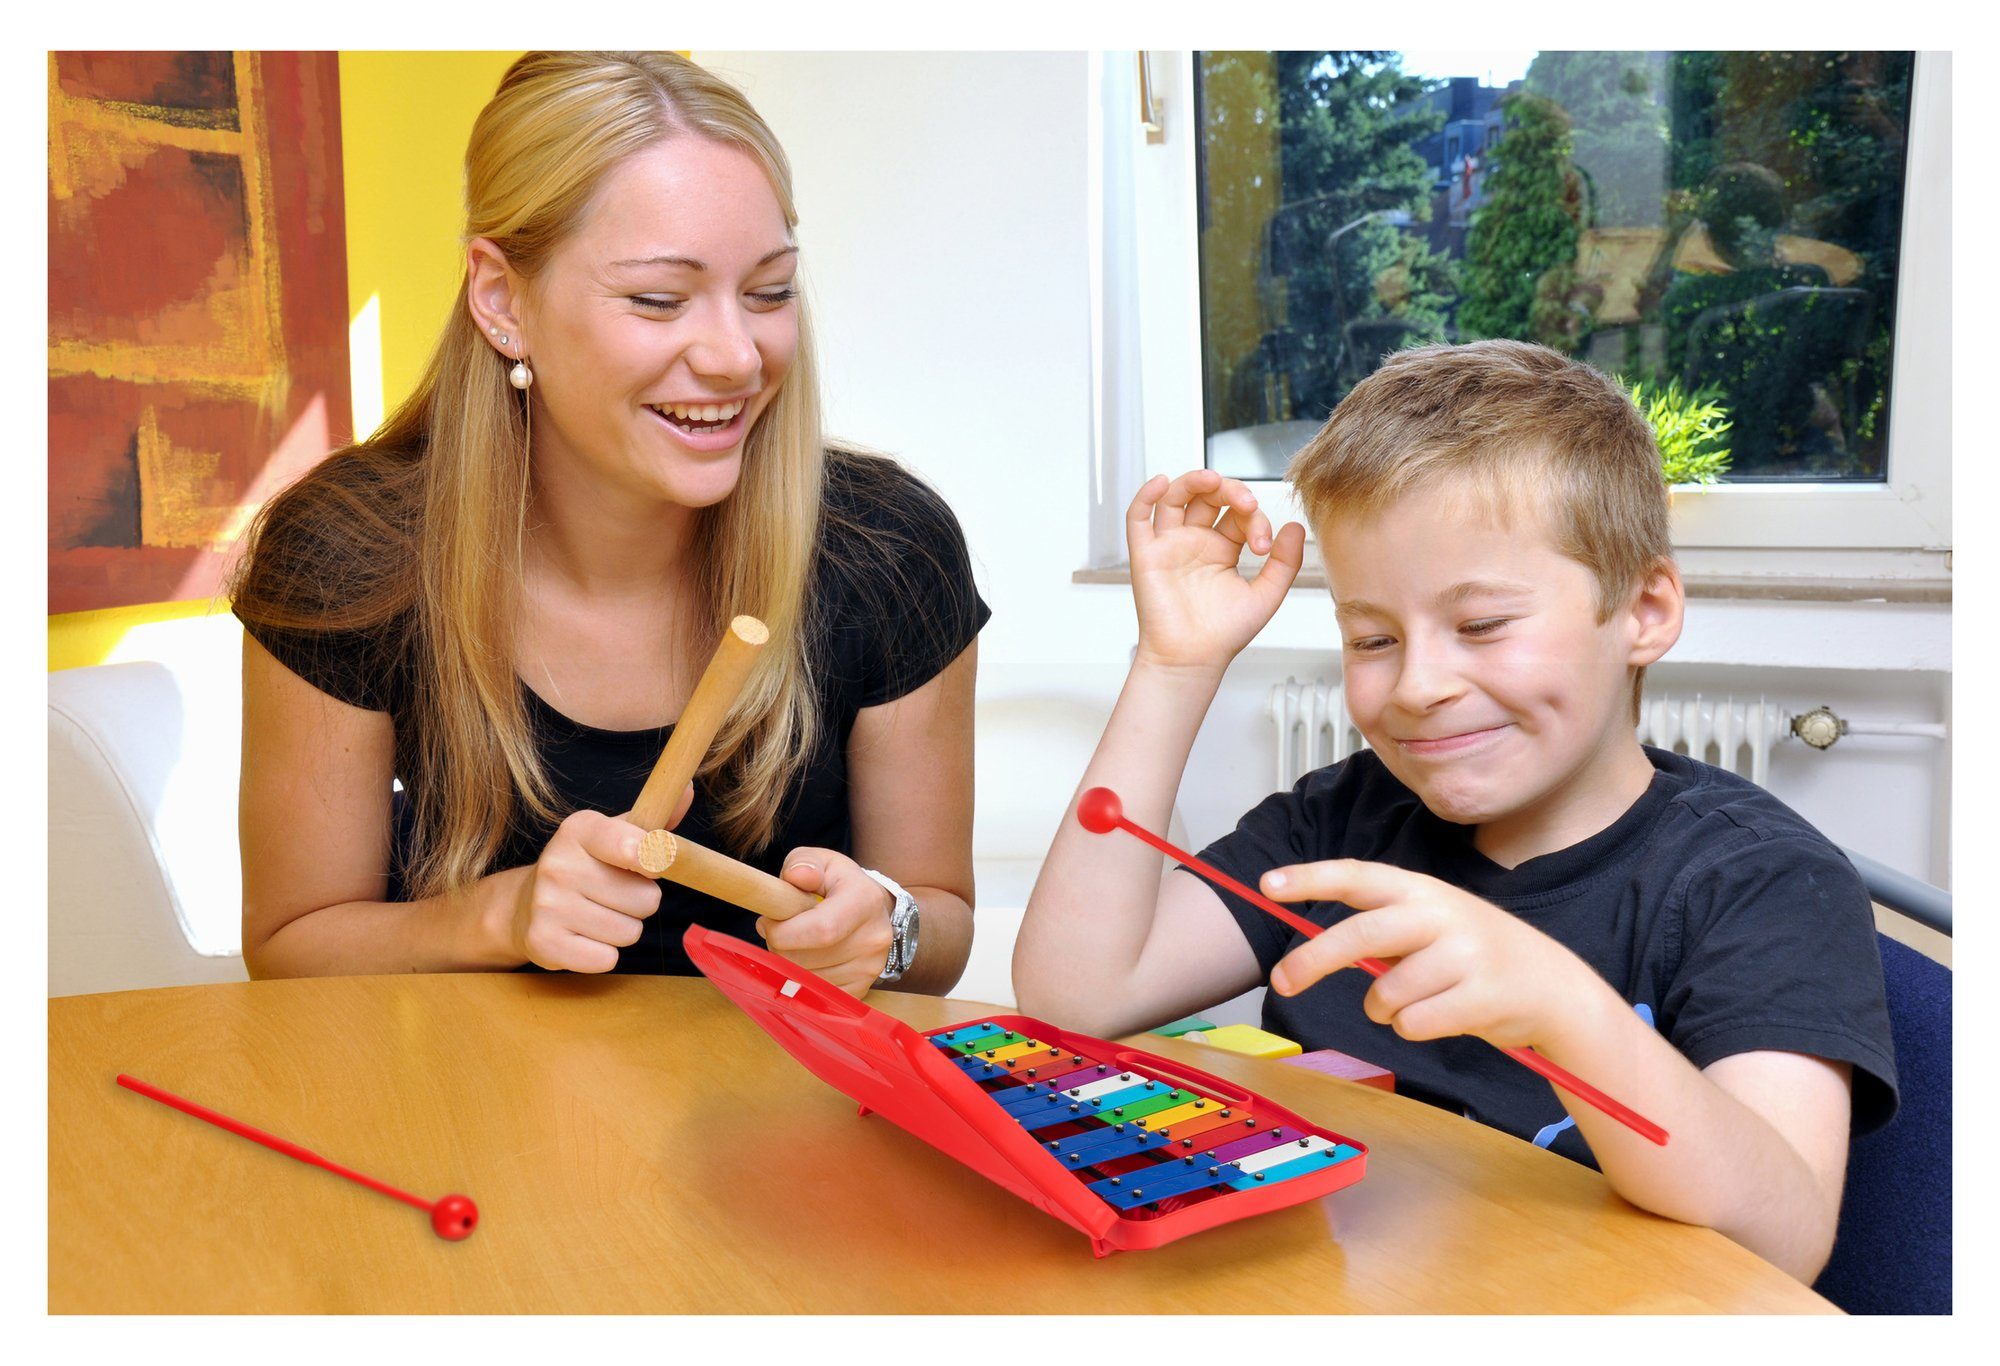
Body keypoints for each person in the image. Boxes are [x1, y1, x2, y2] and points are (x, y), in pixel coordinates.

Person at [1013, 340, 1895, 1282]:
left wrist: (1568, 1011)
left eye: (1480, 625)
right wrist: (1175, 664)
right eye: (1373, 636)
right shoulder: (1343, 818)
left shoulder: (1760, 883)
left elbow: (1782, 1245)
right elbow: (1075, 993)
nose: (1419, 684)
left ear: (1642, 609)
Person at [232, 52, 985, 997]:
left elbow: (942, 927)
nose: (735, 355)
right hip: (461, 1106)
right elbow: (290, 947)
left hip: (783, 1112)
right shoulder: (346, 549)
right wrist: (500, 916)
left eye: (770, 291)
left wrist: (891, 928)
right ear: (502, 299)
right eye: (658, 300)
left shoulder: (890, 547)